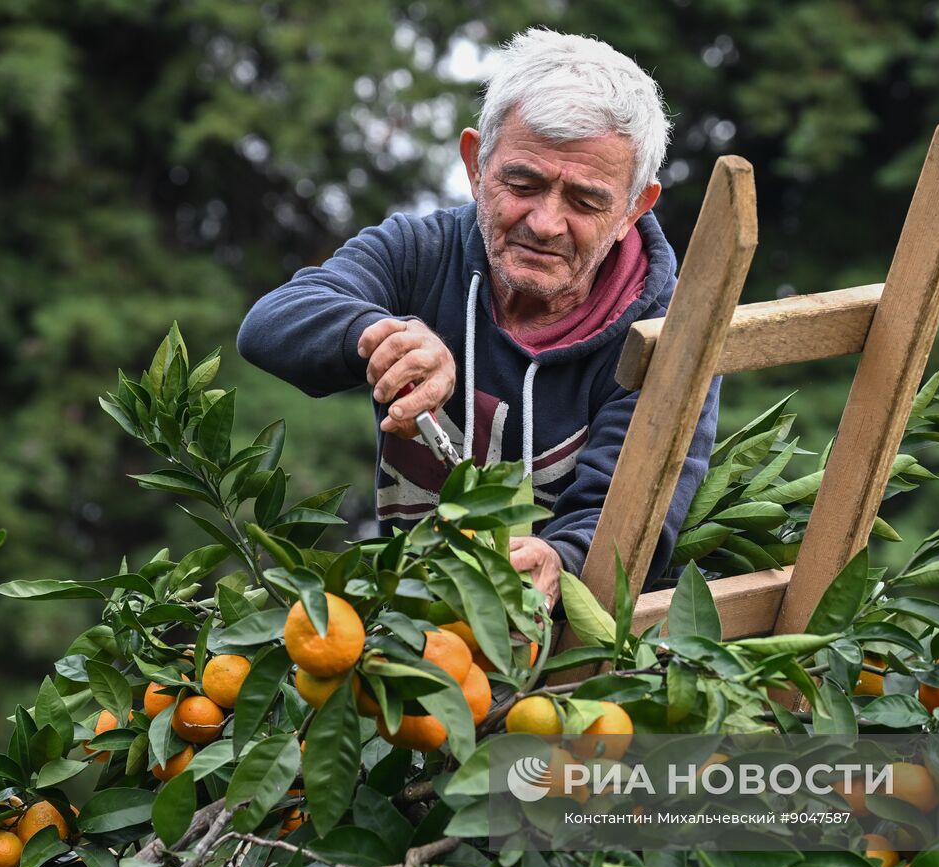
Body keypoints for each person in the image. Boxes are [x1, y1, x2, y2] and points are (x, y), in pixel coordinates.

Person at [238, 28, 720, 609]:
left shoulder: (667, 334)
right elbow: (273, 323)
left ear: (633, 208)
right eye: (523, 183)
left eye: (586, 201)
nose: (545, 223)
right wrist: (384, 335)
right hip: (414, 629)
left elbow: (627, 518)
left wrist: (560, 560)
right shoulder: (420, 253)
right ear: (475, 164)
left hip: (571, 659)